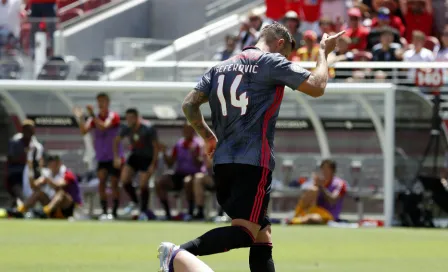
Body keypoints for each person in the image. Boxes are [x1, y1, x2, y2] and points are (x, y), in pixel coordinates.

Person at [158, 22, 344, 272]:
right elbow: (317, 86)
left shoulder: (219, 68)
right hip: (253, 163)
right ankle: (178, 254)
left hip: (223, 164)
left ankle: (177, 256)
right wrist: (323, 52)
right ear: (279, 43)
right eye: (287, 53)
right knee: (246, 232)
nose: (286, 59)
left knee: (262, 234)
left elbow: (189, 105)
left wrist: (208, 137)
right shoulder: (271, 62)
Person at [73, 93, 123, 220]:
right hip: (101, 157)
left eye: (103, 101)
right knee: (101, 182)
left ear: (108, 102)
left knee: (114, 183)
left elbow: (104, 126)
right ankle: (104, 212)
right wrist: (80, 118)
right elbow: (84, 131)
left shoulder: (113, 116)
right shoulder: (93, 119)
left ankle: (115, 212)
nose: (100, 104)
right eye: (99, 101)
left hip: (114, 156)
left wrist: (92, 115)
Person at [114, 108, 158, 220]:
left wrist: (153, 164)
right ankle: (135, 201)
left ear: (138, 118)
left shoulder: (148, 128)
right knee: (124, 179)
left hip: (147, 158)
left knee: (143, 184)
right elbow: (116, 141)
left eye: (131, 118)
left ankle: (143, 210)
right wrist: (117, 157)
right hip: (135, 156)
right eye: (127, 118)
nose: (129, 120)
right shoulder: (126, 128)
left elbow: (156, 147)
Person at [156, 124, 205, 220]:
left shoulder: (199, 144)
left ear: (194, 131)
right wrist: (164, 152)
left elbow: (200, 164)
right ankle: (167, 214)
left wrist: (193, 153)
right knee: (160, 182)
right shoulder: (179, 144)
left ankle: (190, 212)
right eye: (185, 130)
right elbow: (170, 163)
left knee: (187, 181)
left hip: (194, 175)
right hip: (179, 174)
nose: (187, 132)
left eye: (189, 130)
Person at [15, 155, 82, 219]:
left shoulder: (67, 174)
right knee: (38, 193)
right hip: (53, 207)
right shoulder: (48, 173)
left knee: (61, 193)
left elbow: (57, 186)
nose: (51, 166)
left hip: (68, 208)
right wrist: (30, 171)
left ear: (59, 163)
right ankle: (21, 210)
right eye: (50, 164)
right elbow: (33, 186)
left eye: (53, 164)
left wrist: (47, 178)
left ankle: (45, 212)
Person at [288, 159, 348, 225]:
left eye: (327, 169)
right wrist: (315, 186)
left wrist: (321, 187)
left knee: (314, 218)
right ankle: (296, 215)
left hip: (329, 214)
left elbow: (332, 200)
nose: (324, 171)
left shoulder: (339, 183)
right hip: (315, 211)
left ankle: (294, 220)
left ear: (333, 170)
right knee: (313, 190)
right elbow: (305, 191)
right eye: (323, 168)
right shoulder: (319, 181)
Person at [6, 119, 40, 206]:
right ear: (23, 130)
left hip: (30, 177)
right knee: (19, 192)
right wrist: (25, 157)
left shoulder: (35, 147)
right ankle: (21, 205)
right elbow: (11, 158)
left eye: (32, 130)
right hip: (17, 175)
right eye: (28, 129)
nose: (31, 132)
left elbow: (35, 163)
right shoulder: (14, 143)